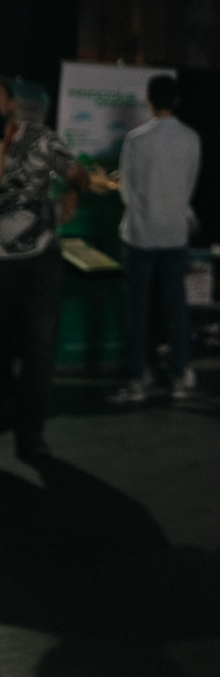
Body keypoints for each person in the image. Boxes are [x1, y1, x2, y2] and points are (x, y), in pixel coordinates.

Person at [0, 76, 104, 461]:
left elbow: (75, 171)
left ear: (11, 106)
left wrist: (73, 190)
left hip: (39, 260)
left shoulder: (41, 138)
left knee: (39, 348)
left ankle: (31, 436)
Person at [109, 75, 202, 405]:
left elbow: (126, 190)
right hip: (174, 234)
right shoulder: (192, 138)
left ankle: (139, 377)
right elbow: (190, 185)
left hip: (139, 235)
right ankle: (180, 375)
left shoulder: (136, 139)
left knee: (138, 310)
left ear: (149, 100)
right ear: (176, 101)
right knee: (177, 309)